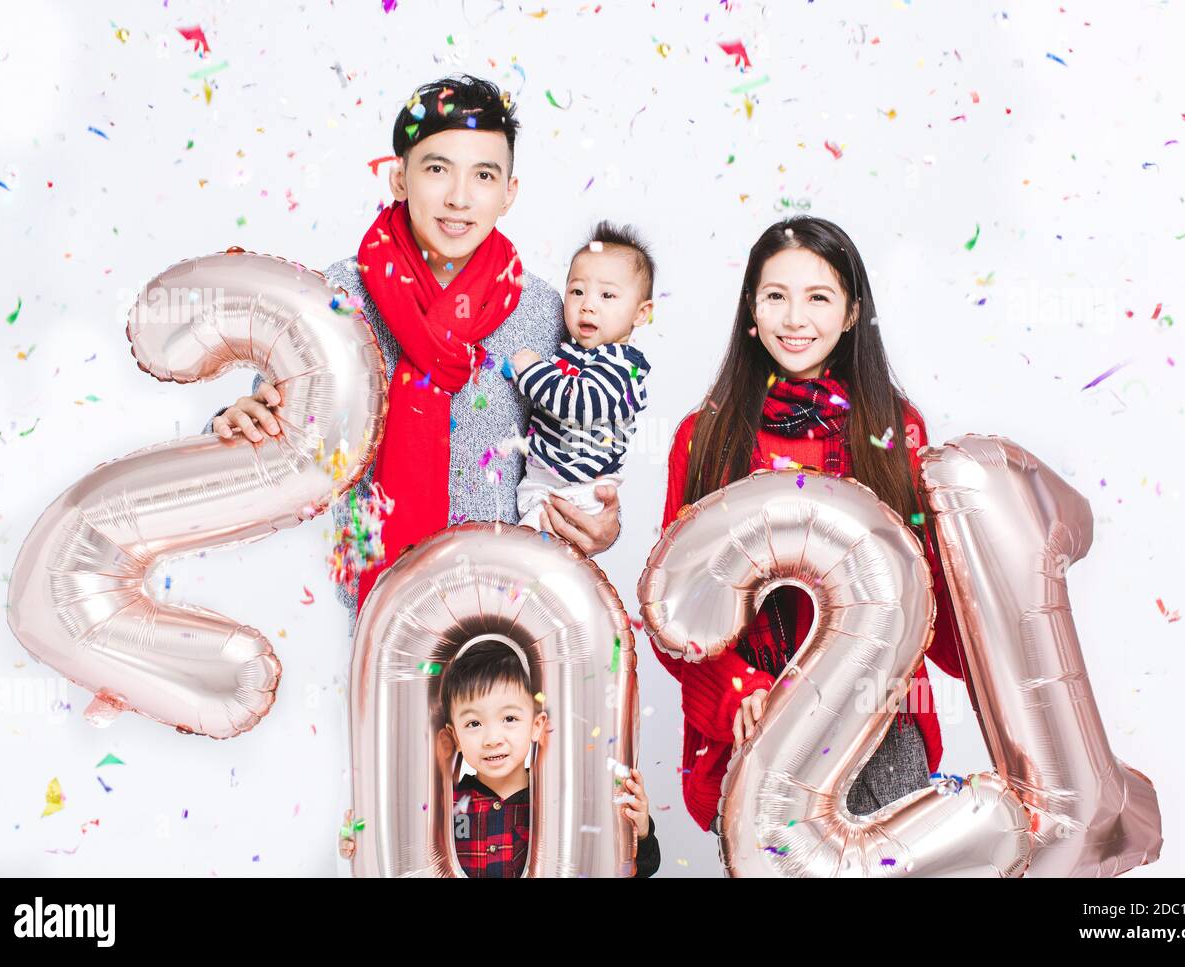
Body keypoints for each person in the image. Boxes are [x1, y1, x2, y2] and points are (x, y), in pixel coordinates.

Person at [204, 74, 621, 634]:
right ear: (399, 177)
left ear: (509, 193)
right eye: (436, 168)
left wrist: (600, 523)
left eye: (483, 175)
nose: (459, 197)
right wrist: (236, 423)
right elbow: (278, 427)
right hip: (357, 617)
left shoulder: (545, 313)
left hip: (503, 623)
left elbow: (576, 444)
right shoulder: (338, 298)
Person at [657, 216, 968, 833]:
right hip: (758, 720)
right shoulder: (705, 438)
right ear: (752, 309)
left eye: (818, 297)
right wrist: (738, 690)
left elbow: (927, 588)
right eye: (776, 296)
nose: (794, 319)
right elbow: (676, 606)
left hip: (879, 725)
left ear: (852, 313)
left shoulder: (894, 432)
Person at [341, 640, 661, 877]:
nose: (493, 738)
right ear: (453, 738)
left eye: (509, 719)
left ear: (537, 726)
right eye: (474, 724)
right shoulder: (443, 804)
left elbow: (632, 868)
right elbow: (399, 853)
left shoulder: (558, 802)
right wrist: (359, 845)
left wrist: (641, 831)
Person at [511, 221, 653, 530]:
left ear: (641, 313)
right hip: (547, 478)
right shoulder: (576, 349)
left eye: (607, 296)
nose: (587, 305)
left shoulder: (622, 368)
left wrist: (531, 370)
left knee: (527, 552)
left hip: (577, 489)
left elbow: (578, 404)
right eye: (577, 291)